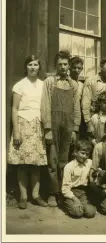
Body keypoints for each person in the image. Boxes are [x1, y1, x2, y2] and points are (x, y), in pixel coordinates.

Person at [41, 50, 81, 207]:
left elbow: (76, 107)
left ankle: (63, 192)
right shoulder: (49, 82)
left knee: (65, 160)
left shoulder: (74, 84)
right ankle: (52, 192)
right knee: (53, 159)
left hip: (68, 125)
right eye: (60, 64)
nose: (63, 67)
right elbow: (45, 106)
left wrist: (75, 129)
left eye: (65, 64)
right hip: (54, 124)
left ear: (69, 65)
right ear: (55, 65)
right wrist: (48, 128)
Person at [8, 55, 48, 209]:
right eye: (30, 64)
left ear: (39, 67)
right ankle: (23, 197)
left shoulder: (43, 85)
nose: (33, 67)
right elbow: (15, 109)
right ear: (26, 67)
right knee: (23, 164)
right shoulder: (19, 85)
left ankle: (36, 195)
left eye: (35, 65)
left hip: (38, 125)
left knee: (36, 164)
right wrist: (16, 132)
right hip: (23, 124)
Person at [62, 140, 97, 218]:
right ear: (75, 152)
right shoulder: (69, 167)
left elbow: (98, 169)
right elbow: (65, 189)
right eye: (82, 153)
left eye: (87, 154)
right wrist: (75, 199)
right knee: (78, 213)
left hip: (83, 192)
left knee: (90, 212)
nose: (84, 156)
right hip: (71, 192)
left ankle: (82, 205)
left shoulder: (90, 163)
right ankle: (64, 202)